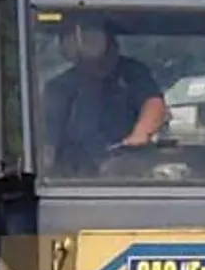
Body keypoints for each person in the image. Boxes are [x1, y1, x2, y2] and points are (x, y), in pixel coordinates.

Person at [41, 13, 168, 171]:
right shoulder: (59, 87)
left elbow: (153, 104)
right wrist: (44, 168)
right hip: (72, 178)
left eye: (94, 39)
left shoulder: (133, 73)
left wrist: (140, 135)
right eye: (81, 42)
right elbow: (48, 141)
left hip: (126, 169)